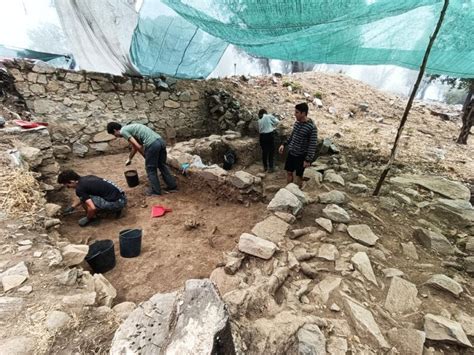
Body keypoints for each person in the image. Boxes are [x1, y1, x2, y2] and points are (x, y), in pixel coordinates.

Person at [106, 122, 177, 196]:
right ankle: (173, 187)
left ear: (115, 130)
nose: (116, 136)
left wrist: (146, 157)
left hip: (152, 144)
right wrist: (130, 158)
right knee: (162, 165)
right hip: (161, 142)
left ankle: (156, 191)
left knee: (150, 169)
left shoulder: (123, 131)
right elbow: (135, 146)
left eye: (113, 134)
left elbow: (138, 146)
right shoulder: (131, 128)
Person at [58, 170, 127, 227]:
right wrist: (72, 207)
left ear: (72, 181)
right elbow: (84, 195)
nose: (69, 188)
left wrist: (87, 218)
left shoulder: (80, 188)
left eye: (68, 186)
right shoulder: (87, 178)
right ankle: (111, 208)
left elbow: (92, 207)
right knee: (85, 197)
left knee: (86, 201)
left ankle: (93, 218)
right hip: (122, 197)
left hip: (117, 203)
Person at [278, 102, 317, 188]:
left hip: (301, 156)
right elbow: (292, 136)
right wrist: (283, 144)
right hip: (291, 153)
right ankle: (288, 190)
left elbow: (312, 144)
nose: (294, 114)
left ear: (303, 113)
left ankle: (298, 193)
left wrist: (308, 159)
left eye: (297, 112)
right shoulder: (297, 123)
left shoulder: (312, 128)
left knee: (299, 176)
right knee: (289, 172)